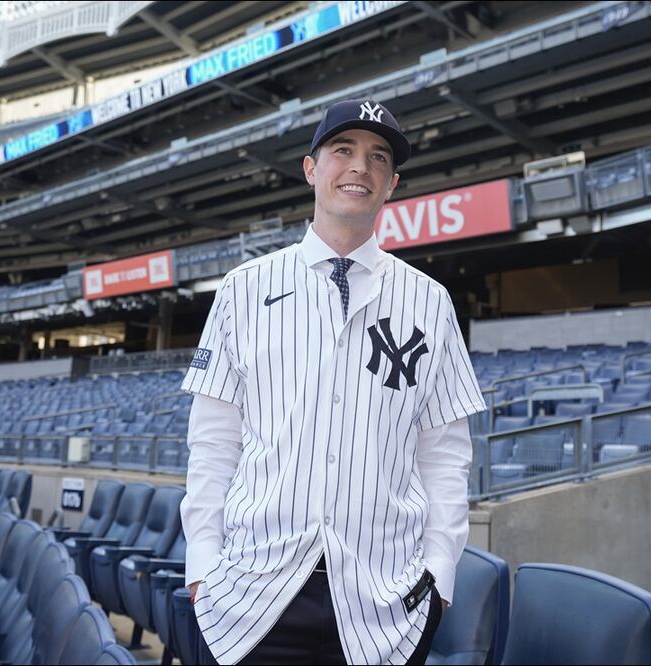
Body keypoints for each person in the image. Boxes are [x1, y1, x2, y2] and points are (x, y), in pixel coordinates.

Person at [180, 98, 486, 665]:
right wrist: (202, 563)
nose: (359, 168)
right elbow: (213, 444)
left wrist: (439, 577)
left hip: (384, 603)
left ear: (391, 183)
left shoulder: (431, 301)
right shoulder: (242, 289)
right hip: (254, 594)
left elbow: (445, 455)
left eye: (377, 158)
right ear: (310, 168)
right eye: (342, 150)